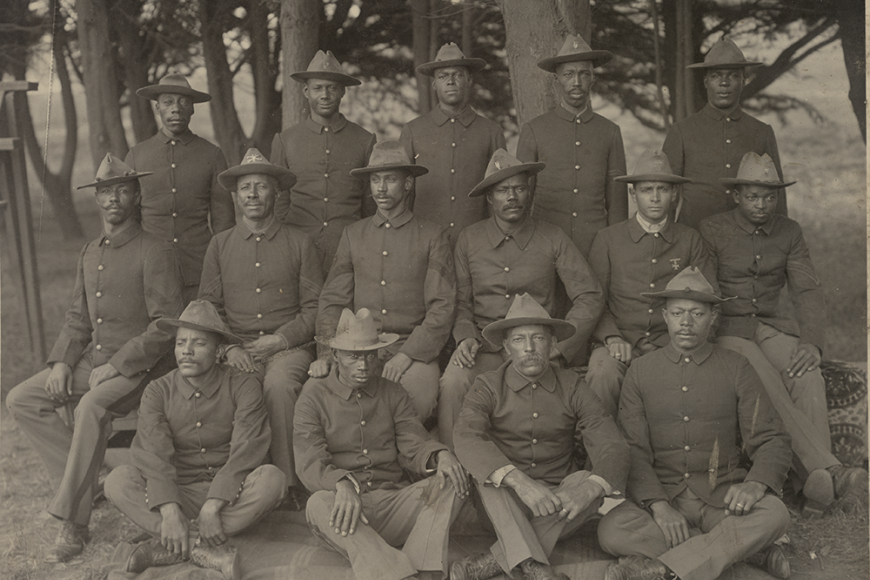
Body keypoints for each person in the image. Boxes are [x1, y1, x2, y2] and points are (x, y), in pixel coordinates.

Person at [6, 154, 184, 562]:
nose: (112, 199)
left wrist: (120, 363)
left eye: (122, 190)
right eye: (105, 191)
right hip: (94, 362)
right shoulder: (90, 251)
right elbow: (77, 319)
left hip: (142, 369)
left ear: (136, 196)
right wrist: (62, 362)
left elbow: (165, 325)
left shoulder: (154, 250)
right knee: (22, 398)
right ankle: (87, 482)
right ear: (98, 198)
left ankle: (74, 523)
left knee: (89, 405)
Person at [699, 151, 868, 516]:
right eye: (753, 196)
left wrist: (811, 342)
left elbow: (806, 289)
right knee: (762, 374)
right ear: (737, 196)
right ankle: (828, 472)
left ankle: (815, 489)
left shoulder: (789, 231)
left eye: (770, 196)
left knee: (806, 372)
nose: (762, 205)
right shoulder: (713, 229)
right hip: (728, 330)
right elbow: (708, 293)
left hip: (770, 327)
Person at [597, 267, 793, 580]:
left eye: (696, 314)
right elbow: (632, 447)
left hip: (723, 502)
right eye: (677, 313)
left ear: (713, 317)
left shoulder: (737, 366)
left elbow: (772, 438)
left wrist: (755, 485)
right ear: (664, 315)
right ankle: (738, 556)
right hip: (664, 500)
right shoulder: (640, 370)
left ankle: (669, 569)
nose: (686, 323)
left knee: (775, 514)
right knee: (611, 530)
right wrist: (659, 506)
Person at [451, 293, 629, 580]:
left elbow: (611, 442)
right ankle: (537, 567)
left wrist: (588, 489)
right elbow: (466, 436)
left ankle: (497, 559)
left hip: (558, 500)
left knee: (590, 483)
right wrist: (519, 482)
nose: (530, 347)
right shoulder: (487, 385)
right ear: (507, 347)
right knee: (485, 474)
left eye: (539, 338)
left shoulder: (573, 385)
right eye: (519, 340)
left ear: (553, 343)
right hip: (505, 502)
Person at [104, 300, 285, 579]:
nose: (186, 351)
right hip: (179, 492)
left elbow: (246, 450)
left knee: (272, 479)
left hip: (230, 498)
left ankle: (175, 545)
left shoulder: (243, 384)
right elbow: (154, 455)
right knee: (117, 481)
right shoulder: (157, 391)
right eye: (180, 343)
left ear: (218, 351)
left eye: (198, 343)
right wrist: (168, 509)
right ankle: (200, 547)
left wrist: (214, 505)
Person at [439, 149, 604, 449]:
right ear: (489, 198)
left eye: (519, 188)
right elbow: (460, 302)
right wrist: (464, 337)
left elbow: (589, 294)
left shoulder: (552, 237)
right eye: (502, 190)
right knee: (453, 381)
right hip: (486, 348)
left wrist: (559, 347)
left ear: (529, 192)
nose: (511, 196)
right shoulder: (469, 239)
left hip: (538, 350)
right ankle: (452, 462)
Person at [294, 308, 469, 580]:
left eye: (369, 356)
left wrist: (441, 455)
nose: (363, 366)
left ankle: (415, 565)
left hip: (393, 503)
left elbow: (414, 443)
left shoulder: (393, 391)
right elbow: (310, 461)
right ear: (336, 356)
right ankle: (401, 573)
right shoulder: (313, 397)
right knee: (318, 502)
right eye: (354, 356)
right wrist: (341, 484)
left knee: (453, 481)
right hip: (344, 513)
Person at [198, 148, 322, 506]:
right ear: (235, 198)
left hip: (289, 347)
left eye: (261, 187)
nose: (252, 194)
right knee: (236, 387)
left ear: (277, 194)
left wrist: (282, 339)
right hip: (238, 348)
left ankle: (289, 485)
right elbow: (209, 307)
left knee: (279, 384)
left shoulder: (300, 242)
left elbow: (316, 307)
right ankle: (233, 484)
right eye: (245, 188)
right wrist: (228, 348)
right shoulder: (219, 245)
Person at [311, 140, 455, 421]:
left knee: (418, 401)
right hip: (358, 347)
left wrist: (408, 355)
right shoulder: (354, 234)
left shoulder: (431, 236)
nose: (381, 188)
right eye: (375, 180)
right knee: (326, 400)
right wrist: (328, 355)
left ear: (408, 184)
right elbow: (332, 301)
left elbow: (442, 307)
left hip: (411, 350)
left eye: (390, 179)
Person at [585, 150, 715, 417]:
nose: (655, 198)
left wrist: (677, 340)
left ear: (674, 194)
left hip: (673, 342)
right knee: (602, 373)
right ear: (633, 194)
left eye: (663, 189)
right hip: (620, 341)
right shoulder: (608, 239)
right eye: (646, 190)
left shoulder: (689, 240)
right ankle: (604, 455)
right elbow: (593, 299)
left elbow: (710, 299)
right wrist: (611, 337)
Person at [127, 72, 235, 303]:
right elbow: (130, 219)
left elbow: (223, 221)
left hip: (198, 268)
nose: (176, 108)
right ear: (158, 108)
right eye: (168, 102)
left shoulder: (211, 154)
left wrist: (222, 267)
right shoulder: (137, 155)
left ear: (193, 109)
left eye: (184, 102)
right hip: (150, 268)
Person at [516, 34, 627, 257]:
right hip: (544, 244)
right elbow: (522, 194)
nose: (576, 82)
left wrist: (614, 248)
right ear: (556, 80)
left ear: (593, 80)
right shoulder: (535, 130)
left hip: (594, 244)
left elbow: (617, 202)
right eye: (568, 74)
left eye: (584, 74)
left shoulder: (609, 131)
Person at [270, 50, 376, 275]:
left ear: (342, 92)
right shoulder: (286, 140)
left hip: (350, 250)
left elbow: (370, 204)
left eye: (332, 88)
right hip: (298, 249)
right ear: (306, 91)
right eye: (318, 88)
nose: (325, 95)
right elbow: (278, 201)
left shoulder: (364, 140)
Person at [662, 37, 786, 229]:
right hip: (695, 239)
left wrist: (779, 240)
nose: (724, 83)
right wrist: (669, 243)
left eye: (733, 76)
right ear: (705, 82)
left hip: (747, 243)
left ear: (744, 81)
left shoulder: (761, 132)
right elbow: (666, 193)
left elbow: (776, 195)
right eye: (716, 76)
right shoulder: (681, 131)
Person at [400, 42, 506, 248]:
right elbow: (404, 192)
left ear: (469, 80)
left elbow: (499, 192)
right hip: (424, 243)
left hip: (477, 243)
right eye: (442, 76)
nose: (450, 81)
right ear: (433, 85)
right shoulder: (413, 131)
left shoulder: (491, 131)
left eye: (457, 75)